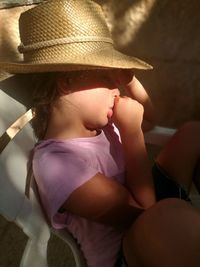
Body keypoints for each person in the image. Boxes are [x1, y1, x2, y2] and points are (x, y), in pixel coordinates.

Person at [1, 1, 200, 267]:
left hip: (153, 208)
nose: (117, 90)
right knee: (165, 216)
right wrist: (131, 135)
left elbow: (149, 120)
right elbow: (143, 208)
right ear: (67, 81)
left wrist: (129, 80)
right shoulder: (55, 165)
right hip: (130, 246)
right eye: (108, 79)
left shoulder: (102, 124)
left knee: (192, 134)